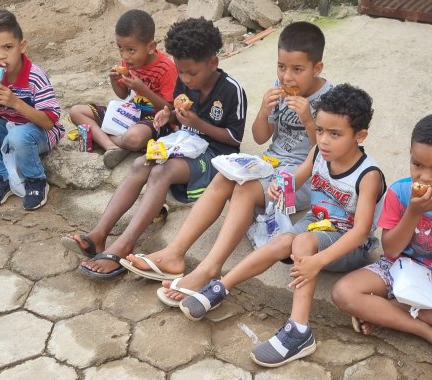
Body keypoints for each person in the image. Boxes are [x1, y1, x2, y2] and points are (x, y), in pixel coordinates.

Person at [120, 21, 333, 304]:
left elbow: (327, 153)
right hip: (271, 162)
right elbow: (260, 137)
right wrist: (264, 110)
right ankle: (174, 253)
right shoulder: (278, 88)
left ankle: (210, 268)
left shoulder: (330, 100)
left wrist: (308, 119)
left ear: (316, 68)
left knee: (245, 188)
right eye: (281, 67)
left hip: (304, 177)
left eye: (297, 69)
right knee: (225, 176)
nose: (286, 76)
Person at [177, 84, 387, 368]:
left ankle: (299, 330)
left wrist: (317, 261)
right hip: (317, 225)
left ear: (360, 136)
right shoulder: (318, 153)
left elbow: (361, 232)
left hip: (350, 242)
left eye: (335, 134)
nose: (323, 140)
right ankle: (222, 286)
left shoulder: (368, 175)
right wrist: (278, 187)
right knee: (281, 241)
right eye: (320, 130)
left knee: (301, 242)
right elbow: (296, 180)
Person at [62, 18, 247, 277]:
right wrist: (167, 114)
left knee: (162, 171)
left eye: (192, 73)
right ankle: (99, 235)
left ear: (213, 63)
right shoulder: (185, 81)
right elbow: (173, 110)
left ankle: (124, 245)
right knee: (142, 163)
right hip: (184, 143)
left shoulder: (231, 91)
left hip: (214, 155)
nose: (185, 79)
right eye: (181, 72)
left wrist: (198, 124)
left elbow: (234, 139)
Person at [331, 113, 432, 372]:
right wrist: (413, 212)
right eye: (417, 164)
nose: (424, 177)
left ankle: (390, 310)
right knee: (343, 292)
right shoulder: (399, 192)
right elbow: (391, 249)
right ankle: (425, 331)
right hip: (397, 265)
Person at [0, 9, 65, 210]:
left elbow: (49, 122)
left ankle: (35, 180)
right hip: (7, 131)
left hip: (38, 134)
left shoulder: (34, 76)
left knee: (19, 135)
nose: (1, 55)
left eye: (8, 47)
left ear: (22, 46)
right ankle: (1, 176)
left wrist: (15, 102)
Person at [67, 9, 178, 168]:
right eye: (120, 48)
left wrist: (142, 89)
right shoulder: (129, 62)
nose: (124, 56)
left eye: (131, 50)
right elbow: (123, 94)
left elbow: (169, 108)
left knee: (134, 138)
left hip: (154, 118)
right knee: (76, 111)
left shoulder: (166, 68)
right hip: (130, 111)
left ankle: (105, 137)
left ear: (151, 47)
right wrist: (115, 81)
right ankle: (111, 147)